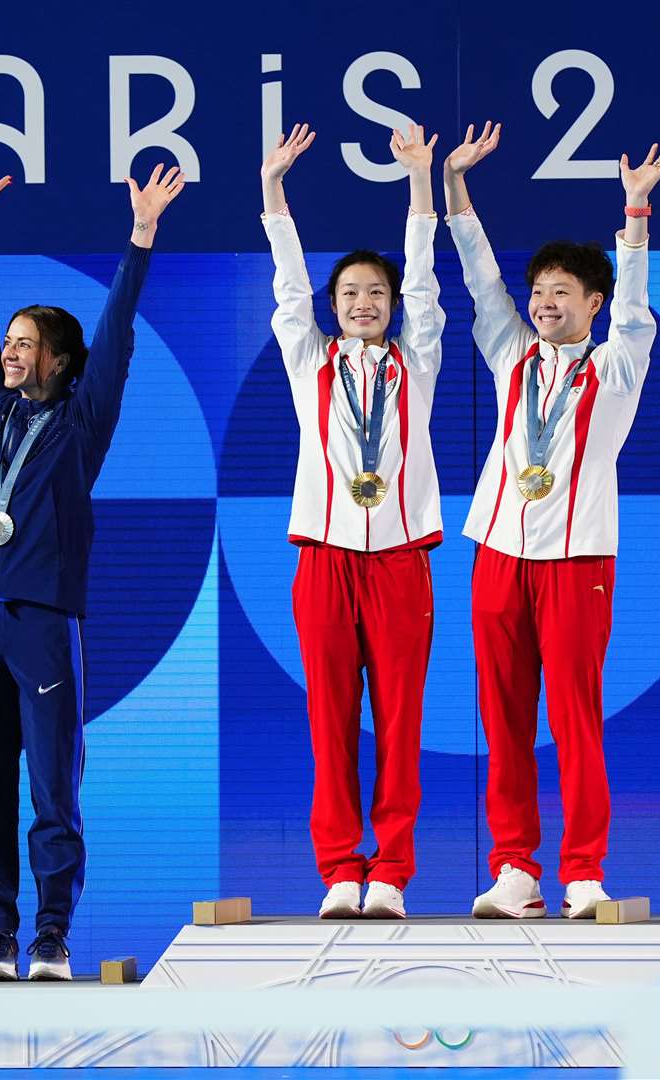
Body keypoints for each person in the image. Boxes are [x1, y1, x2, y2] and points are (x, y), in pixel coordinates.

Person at [0, 166, 182, 979]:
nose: (8, 351)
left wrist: (141, 237)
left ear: (56, 359)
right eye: (8, 342)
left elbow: (115, 334)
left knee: (51, 783)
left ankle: (50, 933)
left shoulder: (83, 422)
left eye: (25, 343)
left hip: (45, 617)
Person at [444, 122, 660, 920]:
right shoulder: (510, 354)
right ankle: (515, 868)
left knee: (574, 718)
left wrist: (635, 214)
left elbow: (639, 308)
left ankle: (582, 870)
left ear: (593, 304)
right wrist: (454, 184)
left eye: (561, 296)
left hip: (579, 561)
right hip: (499, 555)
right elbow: (478, 280)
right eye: (538, 293)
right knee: (503, 720)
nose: (544, 305)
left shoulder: (616, 367)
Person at [260, 123, 445, 919]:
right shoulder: (311, 361)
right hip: (326, 559)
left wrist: (418, 180)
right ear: (332, 310)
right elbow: (287, 283)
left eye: (377, 293)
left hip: (402, 559)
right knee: (329, 723)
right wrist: (274, 189)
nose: (364, 304)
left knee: (399, 726)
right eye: (350, 296)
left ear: (394, 306)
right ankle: (340, 868)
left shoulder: (420, 359)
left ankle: (392, 873)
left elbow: (430, 280)